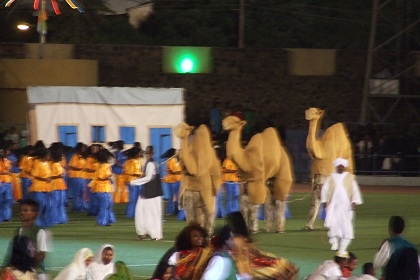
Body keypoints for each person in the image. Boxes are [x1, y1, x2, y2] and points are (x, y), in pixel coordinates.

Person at [225, 211, 298, 279]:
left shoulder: (237, 239)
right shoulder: (244, 237)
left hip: (246, 262)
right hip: (249, 260)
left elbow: (242, 256)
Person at [320, 158, 363, 254]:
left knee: (346, 225)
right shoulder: (331, 177)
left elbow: (355, 190)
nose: (341, 168)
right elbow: (325, 190)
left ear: (344, 167)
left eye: (342, 167)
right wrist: (324, 201)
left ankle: (343, 246)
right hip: (333, 205)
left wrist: (354, 201)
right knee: (333, 223)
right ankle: (334, 242)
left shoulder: (350, 177)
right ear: (336, 167)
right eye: (339, 166)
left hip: (346, 205)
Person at [130, 145, 163, 241]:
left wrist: (135, 182)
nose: (147, 155)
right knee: (140, 212)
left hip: (152, 194)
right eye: (146, 153)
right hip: (145, 193)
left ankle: (154, 234)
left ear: (151, 154)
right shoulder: (149, 163)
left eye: (148, 153)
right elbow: (147, 177)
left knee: (151, 214)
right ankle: (142, 232)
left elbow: (149, 178)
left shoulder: (151, 164)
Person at [373, 215, 419, 280]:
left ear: (390, 228)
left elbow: (377, 263)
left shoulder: (388, 244)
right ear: (403, 229)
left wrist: (380, 248)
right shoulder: (412, 247)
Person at [90, 149, 116, 226]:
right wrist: (109, 177)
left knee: (107, 205)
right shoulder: (104, 166)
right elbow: (102, 177)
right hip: (102, 187)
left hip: (103, 187)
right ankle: (102, 221)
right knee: (104, 205)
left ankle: (106, 220)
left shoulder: (99, 165)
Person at [123, 147, 143, 219]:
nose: (140, 154)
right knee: (133, 198)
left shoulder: (137, 161)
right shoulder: (129, 162)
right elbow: (130, 172)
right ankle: (130, 214)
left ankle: (135, 213)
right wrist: (140, 175)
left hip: (138, 181)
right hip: (133, 181)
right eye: (139, 153)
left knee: (137, 198)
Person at [67, 143, 87, 212]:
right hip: (76, 176)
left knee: (82, 192)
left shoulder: (82, 156)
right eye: (83, 148)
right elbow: (71, 166)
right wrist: (80, 169)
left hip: (82, 176)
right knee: (77, 193)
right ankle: (76, 207)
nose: (84, 149)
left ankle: (82, 206)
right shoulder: (75, 156)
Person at [161, 149, 181, 216]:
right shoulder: (172, 160)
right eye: (176, 152)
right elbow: (173, 171)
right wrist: (180, 172)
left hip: (175, 180)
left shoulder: (175, 160)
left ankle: (175, 210)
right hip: (173, 180)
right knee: (173, 196)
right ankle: (170, 211)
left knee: (174, 196)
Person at [0, 148, 13, 223]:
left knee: (7, 199)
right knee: (1, 200)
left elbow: (9, 169)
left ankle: (6, 216)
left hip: (7, 181)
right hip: (1, 181)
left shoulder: (7, 161)